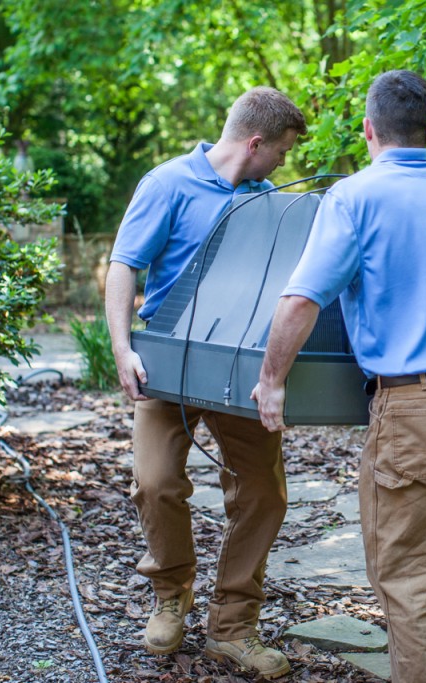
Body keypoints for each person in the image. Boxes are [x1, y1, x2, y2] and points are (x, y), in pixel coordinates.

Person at [252, 70, 426, 683]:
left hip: (414, 404)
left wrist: (272, 380)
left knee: (406, 565)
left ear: (369, 130)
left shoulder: (354, 197)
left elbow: (302, 300)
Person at [105, 86, 307, 680]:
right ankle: (172, 593)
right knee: (156, 481)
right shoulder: (168, 183)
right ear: (255, 142)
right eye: (284, 150)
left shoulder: (273, 200)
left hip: (244, 367)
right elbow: (124, 265)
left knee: (263, 493)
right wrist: (123, 350)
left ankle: (233, 625)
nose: (285, 163)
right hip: (169, 362)